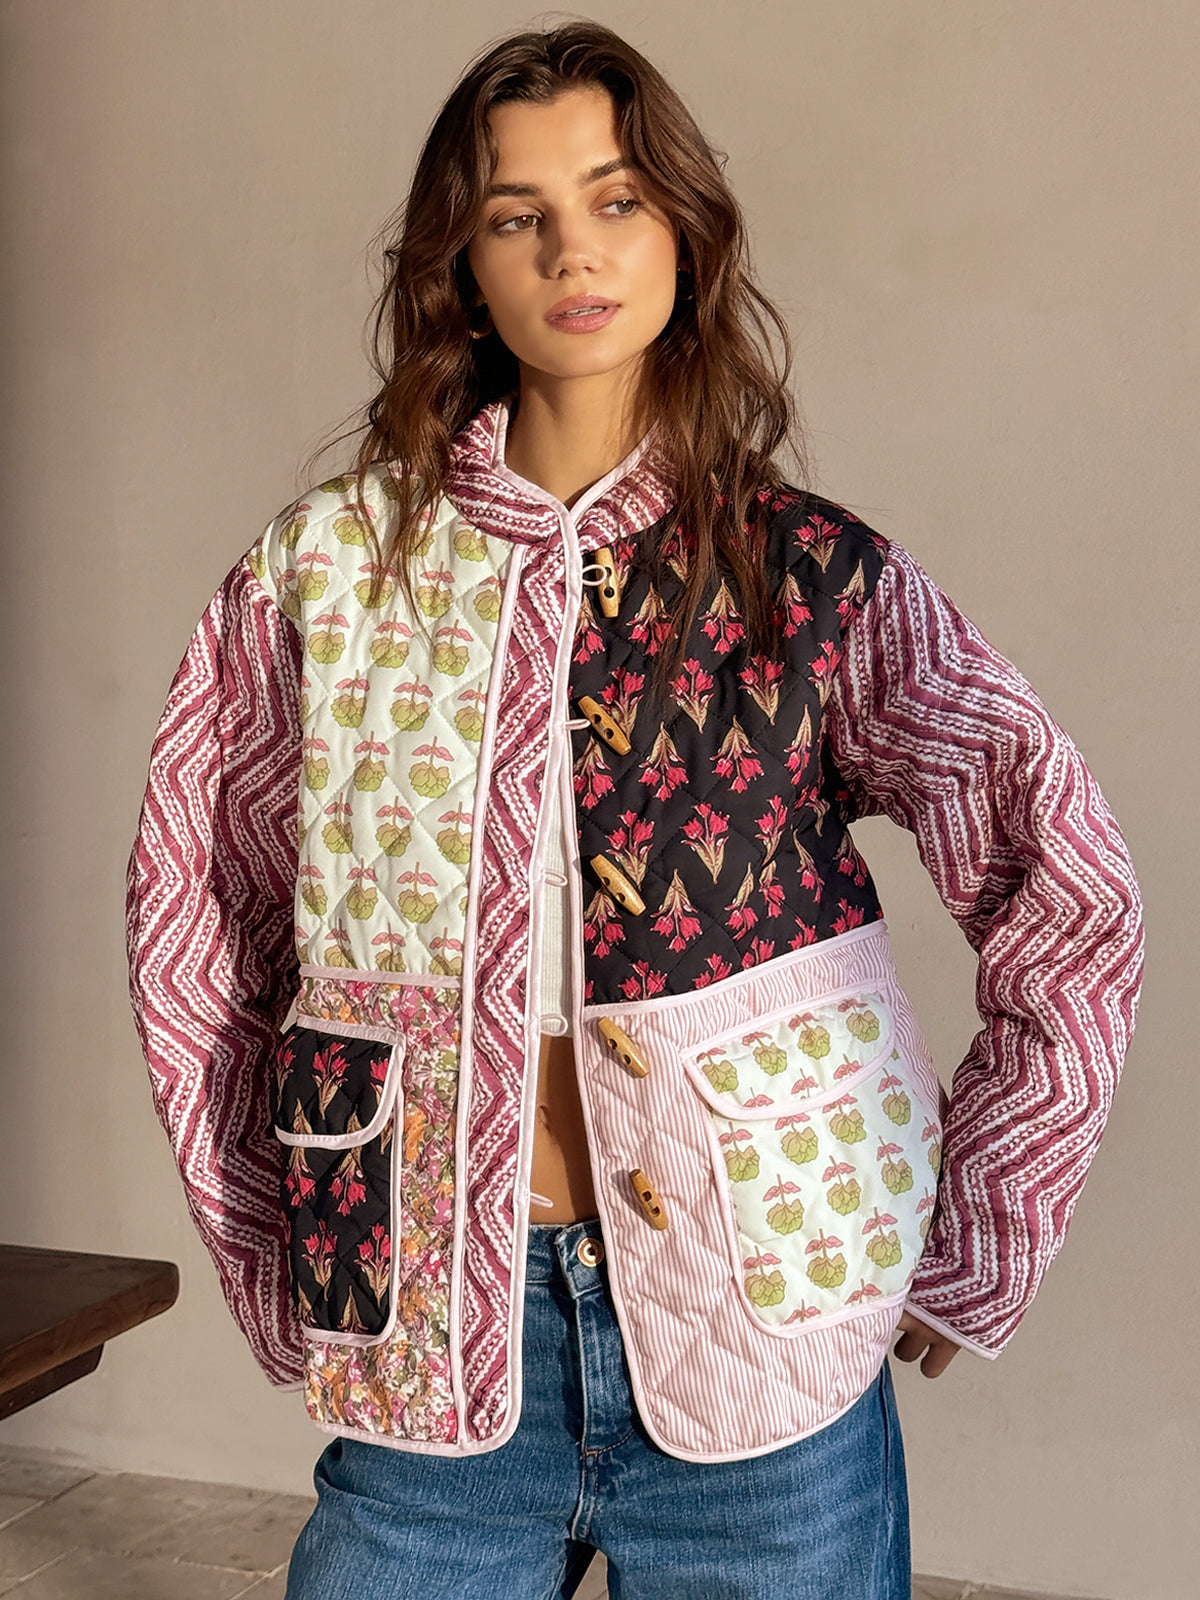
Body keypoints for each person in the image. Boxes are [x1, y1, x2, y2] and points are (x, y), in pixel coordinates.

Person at [126, 21, 1143, 1600]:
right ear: (462, 264)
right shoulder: (322, 574)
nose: (572, 251)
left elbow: (1061, 877)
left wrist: (992, 1223)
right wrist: (277, 1250)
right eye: (516, 214)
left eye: (614, 200)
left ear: (683, 229)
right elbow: (195, 915)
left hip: (768, 1318)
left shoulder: (805, 574)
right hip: (430, 1328)